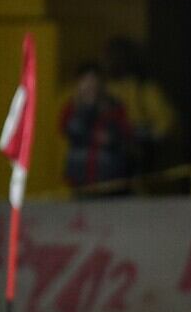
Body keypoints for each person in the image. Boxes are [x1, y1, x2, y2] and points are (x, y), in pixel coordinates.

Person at [103, 36, 177, 175]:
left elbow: (165, 121)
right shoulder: (104, 88)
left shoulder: (143, 88)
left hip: (136, 153)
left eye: (115, 56)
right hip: (108, 154)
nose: (109, 61)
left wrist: (146, 136)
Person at [60, 62, 133, 194]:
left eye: (93, 81)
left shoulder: (114, 106)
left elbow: (125, 132)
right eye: (85, 81)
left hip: (110, 179)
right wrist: (87, 108)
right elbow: (70, 129)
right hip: (80, 179)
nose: (90, 85)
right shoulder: (73, 108)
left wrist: (111, 139)